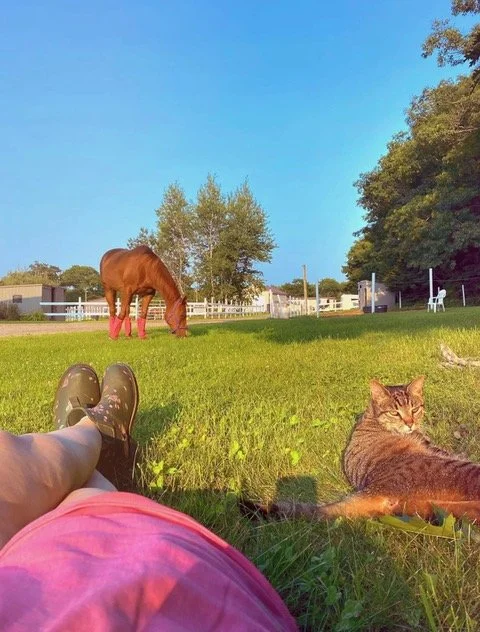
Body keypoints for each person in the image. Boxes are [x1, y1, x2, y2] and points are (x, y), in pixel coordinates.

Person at [0, 363, 297, 631]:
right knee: (60, 492)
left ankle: (85, 445)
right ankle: (94, 432)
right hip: (162, 581)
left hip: (23, 581)